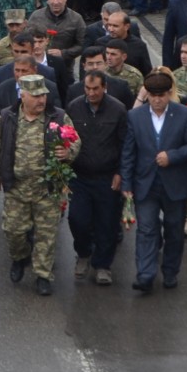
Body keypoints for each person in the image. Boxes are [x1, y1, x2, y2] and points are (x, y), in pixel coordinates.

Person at [0, 74, 78, 296]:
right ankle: (20, 257)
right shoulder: (7, 117)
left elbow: (75, 141)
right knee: (13, 230)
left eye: (43, 95)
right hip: (17, 187)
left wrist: (69, 152)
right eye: (36, 96)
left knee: (46, 235)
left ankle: (42, 275)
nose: (41, 100)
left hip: (47, 189)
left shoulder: (58, 117)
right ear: (23, 95)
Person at [121, 70, 187, 293]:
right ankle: (145, 274)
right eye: (153, 95)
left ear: (169, 94)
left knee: (174, 230)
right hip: (145, 183)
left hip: (175, 184)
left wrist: (172, 156)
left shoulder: (184, 114)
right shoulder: (135, 117)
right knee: (146, 229)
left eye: (161, 95)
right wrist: (126, 185)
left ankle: (170, 271)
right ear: (146, 94)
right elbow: (128, 152)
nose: (157, 100)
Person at [66, 68, 127, 286]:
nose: (91, 93)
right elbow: (67, 140)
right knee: (77, 219)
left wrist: (121, 172)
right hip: (80, 177)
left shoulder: (118, 110)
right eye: (87, 89)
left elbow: (124, 145)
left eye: (95, 89)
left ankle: (103, 265)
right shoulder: (74, 108)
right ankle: (83, 253)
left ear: (105, 88)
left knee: (107, 223)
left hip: (107, 177)